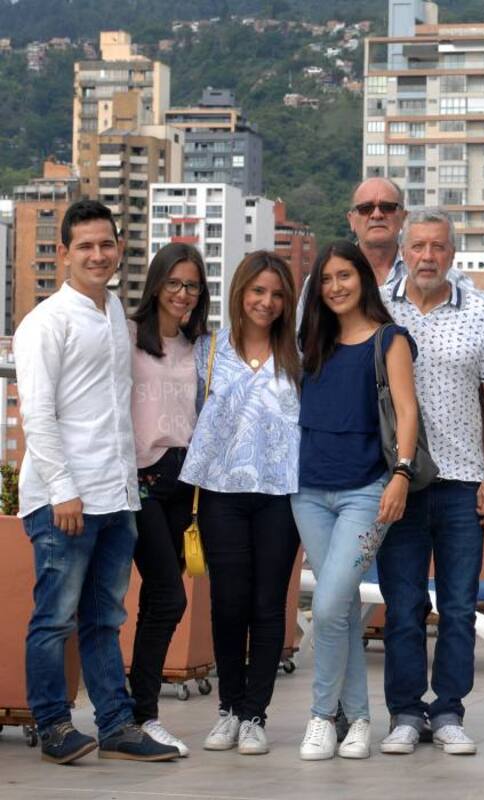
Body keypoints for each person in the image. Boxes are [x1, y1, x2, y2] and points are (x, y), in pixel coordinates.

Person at [14, 199, 179, 764]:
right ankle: (54, 724)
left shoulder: (115, 316)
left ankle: (115, 723)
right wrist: (62, 489)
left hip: (116, 495)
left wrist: (128, 493)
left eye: (106, 244)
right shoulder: (44, 323)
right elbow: (38, 413)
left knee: (105, 618)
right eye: (84, 245)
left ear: (119, 250)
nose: (97, 254)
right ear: (63, 253)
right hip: (65, 497)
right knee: (54, 618)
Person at [376, 208, 484, 756]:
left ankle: (450, 710)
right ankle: (406, 713)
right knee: (402, 603)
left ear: (451, 255)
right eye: (418, 247)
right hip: (399, 484)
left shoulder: (480, 312)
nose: (427, 256)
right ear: (404, 253)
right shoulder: (379, 309)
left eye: (438, 247)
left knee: (458, 606)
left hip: (461, 483)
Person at [293, 241, 419, 761]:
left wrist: (402, 476)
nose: (336, 287)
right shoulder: (311, 342)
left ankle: (322, 715)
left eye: (345, 276)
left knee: (326, 605)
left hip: (366, 490)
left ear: (363, 279)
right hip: (308, 491)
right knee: (339, 606)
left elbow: (408, 412)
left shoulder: (389, 340)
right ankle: (360, 720)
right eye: (326, 280)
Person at [180, 251, 303, 757]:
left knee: (267, 606)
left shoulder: (300, 354)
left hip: (280, 494)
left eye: (276, 294)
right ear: (240, 293)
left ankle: (255, 713)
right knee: (228, 604)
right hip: (220, 493)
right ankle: (229, 708)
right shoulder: (207, 350)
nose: (266, 302)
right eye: (258, 291)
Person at [126, 242, 212, 757]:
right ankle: (143, 713)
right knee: (168, 597)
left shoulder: (199, 345)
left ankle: (138, 710)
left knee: (163, 598)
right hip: (141, 481)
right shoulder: (128, 339)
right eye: (175, 283)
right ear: (157, 284)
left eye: (193, 286)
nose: (183, 294)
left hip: (186, 482)